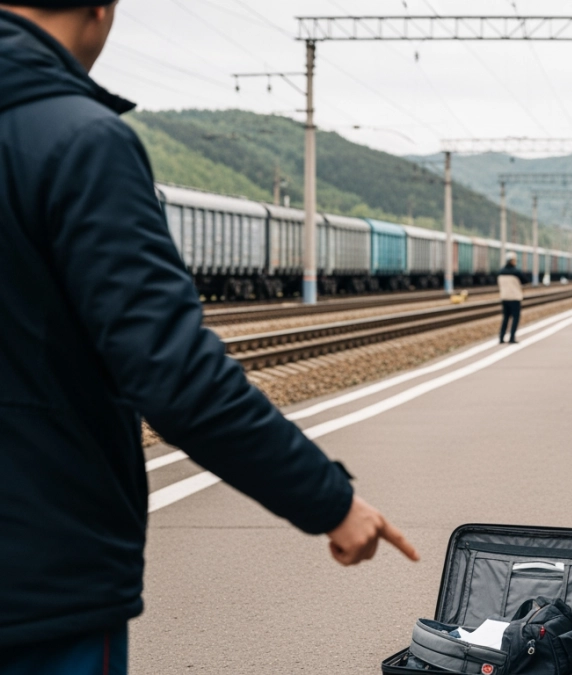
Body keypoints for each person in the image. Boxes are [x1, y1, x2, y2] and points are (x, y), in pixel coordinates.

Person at [0, 2, 417, 672]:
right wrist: (329, 500)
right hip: (36, 579)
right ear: (100, 9)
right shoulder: (78, 140)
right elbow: (173, 371)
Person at [497, 252, 524, 343]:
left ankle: (501, 338)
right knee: (515, 318)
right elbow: (525, 280)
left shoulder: (501, 271)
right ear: (512, 261)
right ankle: (512, 338)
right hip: (514, 297)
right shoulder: (516, 272)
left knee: (505, 318)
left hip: (504, 297)